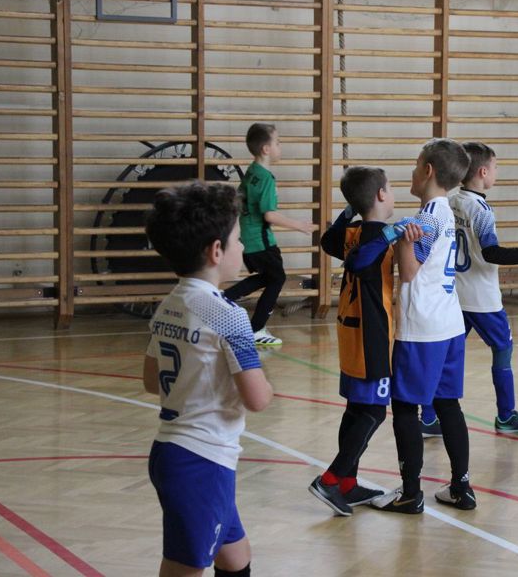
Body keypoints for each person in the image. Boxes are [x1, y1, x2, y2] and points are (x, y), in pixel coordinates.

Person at [143, 182, 274, 577]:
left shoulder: (169, 303)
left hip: (174, 451)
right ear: (216, 251)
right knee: (185, 567)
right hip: (202, 459)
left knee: (235, 555)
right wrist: (263, 378)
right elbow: (257, 399)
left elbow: (151, 380)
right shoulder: (228, 315)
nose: (242, 247)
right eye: (237, 240)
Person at [368, 138, 476, 514]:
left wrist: (401, 242)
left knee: (404, 408)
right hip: (450, 322)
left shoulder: (425, 218)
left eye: (416, 165)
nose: (412, 172)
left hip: (423, 328)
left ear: (428, 171)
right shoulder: (446, 212)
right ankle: (461, 486)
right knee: (449, 405)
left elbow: (410, 271)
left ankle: (411, 492)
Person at [307, 166, 421, 516]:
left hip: (351, 330)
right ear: (381, 195)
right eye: (391, 188)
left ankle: (348, 483)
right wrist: (390, 234)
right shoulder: (375, 236)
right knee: (373, 411)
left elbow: (328, 241)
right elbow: (358, 262)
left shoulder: (354, 230)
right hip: (371, 334)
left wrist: (348, 210)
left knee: (356, 408)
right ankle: (330, 479)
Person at [416, 142, 518, 437]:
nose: (497, 172)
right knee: (503, 349)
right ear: (483, 172)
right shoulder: (481, 210)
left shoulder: (450, 202)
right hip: (483, 300)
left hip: (455, 295)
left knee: (445, 356)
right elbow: (492, 253)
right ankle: (506, 414)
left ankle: (429, 417)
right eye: (496, 167)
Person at [223, 123, 317, 346]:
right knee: (277, 278)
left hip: (248, 238)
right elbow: (269, 215)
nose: (280, 146)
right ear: (266, 149)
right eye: (278, 142)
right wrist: (299, 225)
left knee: (269, 277)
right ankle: (256, 329)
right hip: (260, 241)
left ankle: (224, 298)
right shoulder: (265, 178)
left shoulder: (252, 172)